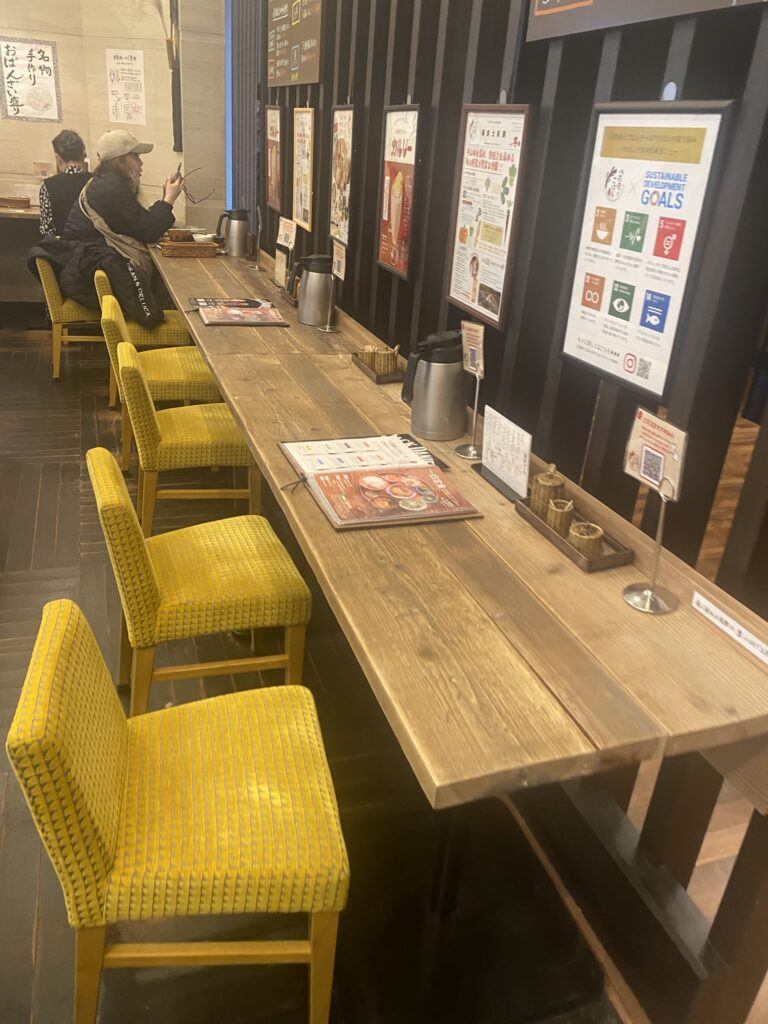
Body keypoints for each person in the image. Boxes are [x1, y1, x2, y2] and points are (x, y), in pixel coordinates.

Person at [28, 129, 184, 325]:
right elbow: (147, 230)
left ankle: (174, 326)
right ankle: (174, 329)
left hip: (83, 269)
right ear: (120, 161)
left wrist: (164, 201)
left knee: (163, 281)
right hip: (90, 280)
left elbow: (138, 221)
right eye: (136, 157)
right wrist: (169, 200)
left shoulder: (105, 183)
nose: (141, 163)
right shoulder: (110, 187)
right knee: (170, 285)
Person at [38, 129, 92, 237]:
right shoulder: (96, 182)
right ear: (83, 155)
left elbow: (47, 230)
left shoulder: (47, 186)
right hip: (93, 246)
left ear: (57, 158)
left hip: (62, 246)